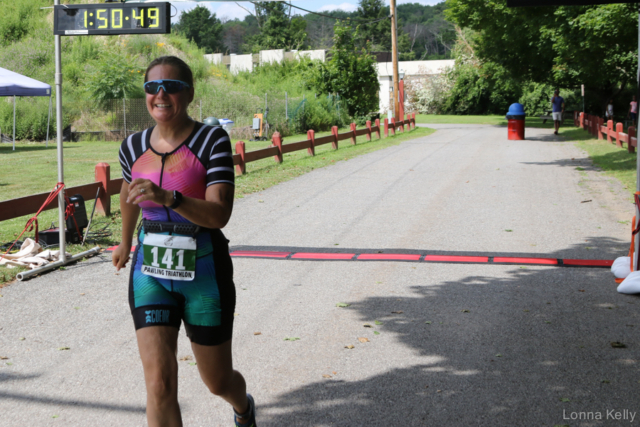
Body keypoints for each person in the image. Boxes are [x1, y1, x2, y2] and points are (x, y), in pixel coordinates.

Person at [111, 56, 257, 427]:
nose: (161, 94)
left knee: (217, 381)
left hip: (205, 272)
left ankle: (243, 406)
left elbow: (219, 214)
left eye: (172, 87)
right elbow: (129, 192)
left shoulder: (211, 141)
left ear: (189, 93)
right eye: (152, 87)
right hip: (151, 273)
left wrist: (168, 198)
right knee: (158, 384)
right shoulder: (132, 147)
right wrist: (125, 242)